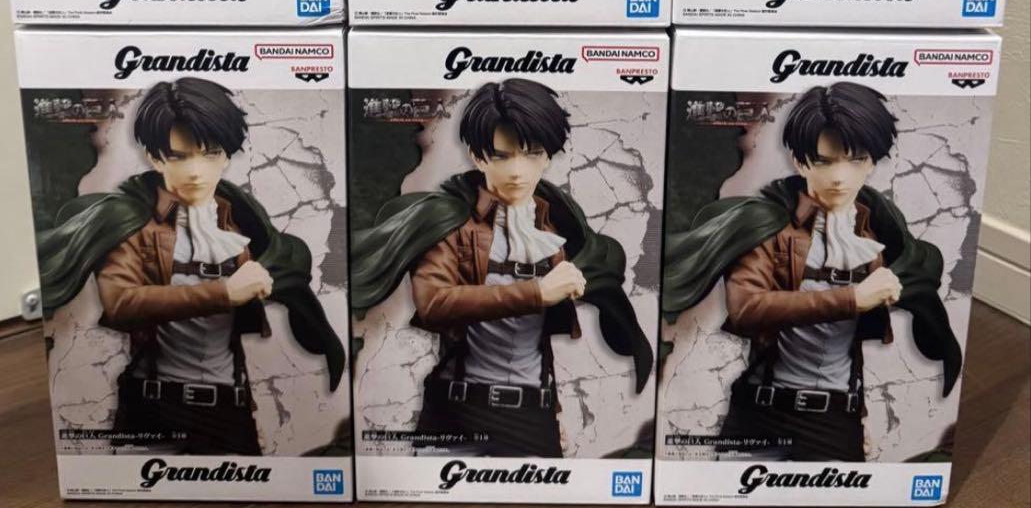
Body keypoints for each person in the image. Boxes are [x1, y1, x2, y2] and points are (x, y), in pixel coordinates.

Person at [35, 77, 345, 455]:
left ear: (226, 156)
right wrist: (224, 292)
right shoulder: (133, 222)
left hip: (230, 406)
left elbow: (282, 262)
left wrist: (274, 284)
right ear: (155, 157)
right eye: (179, 156)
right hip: (155, 407)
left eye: (210, 154)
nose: (196, 171)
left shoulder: (240, 222)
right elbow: (122, 302)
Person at [351, 78, 653, 457]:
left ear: (548, 155)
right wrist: (536, 292)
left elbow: (553, 321)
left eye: (532, 154)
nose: (517, 171)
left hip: (533, 413)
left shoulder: (558, 224)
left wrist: (551, 408)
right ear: (478, 157)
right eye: (501, 156)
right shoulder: (451, 221)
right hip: (458, 411)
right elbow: (434, 303)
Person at [662, 83, 961, 462]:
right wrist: (852, 298)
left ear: (872, 162)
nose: (839, 177)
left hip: (837, 417)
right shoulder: (768, 225)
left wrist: (858, 414)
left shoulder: (879, 232)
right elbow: (746, 307)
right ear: (800, 162)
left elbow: (859, 340)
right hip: (762, 412)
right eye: (823, 161)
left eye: (855, 160)